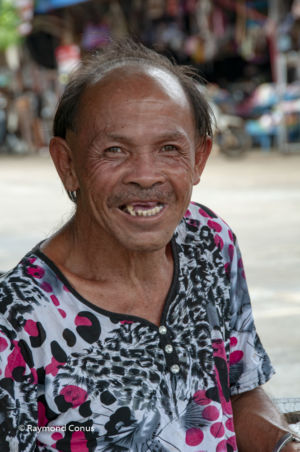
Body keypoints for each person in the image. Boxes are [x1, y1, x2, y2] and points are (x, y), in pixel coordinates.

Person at [0, 40, 299, 452]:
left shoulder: (207, 240)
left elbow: (239, 392)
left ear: (200, 159)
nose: (145, 175)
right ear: (67, 165)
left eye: (169, 149)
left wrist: (284, 445)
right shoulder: (15, 323)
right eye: (115, 150)